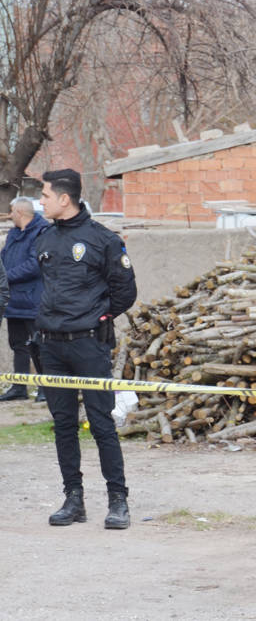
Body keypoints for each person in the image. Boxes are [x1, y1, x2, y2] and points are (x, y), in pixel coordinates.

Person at [35, 169, 137, 530]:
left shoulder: (102, 240)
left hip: (88, 345)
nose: (40, 201)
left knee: (101, 424)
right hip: (51, 348)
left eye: (45, 195)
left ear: (64, 199)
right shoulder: (44, 238)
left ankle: (118, 500)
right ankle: (73, 499)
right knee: (63, 426)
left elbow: (125, 291)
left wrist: (98, 317)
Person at [0, 196, 47, 402]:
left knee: (39, 345)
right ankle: (19, 387)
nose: (9, 216)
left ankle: (46, 388)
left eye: (11, 212)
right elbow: (3, 258)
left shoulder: (42, 232)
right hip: (14, 302)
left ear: (19, 212)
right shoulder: (13, 234)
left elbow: (34, 265)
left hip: (33, 300)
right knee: (17, 344)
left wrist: (5, 277)